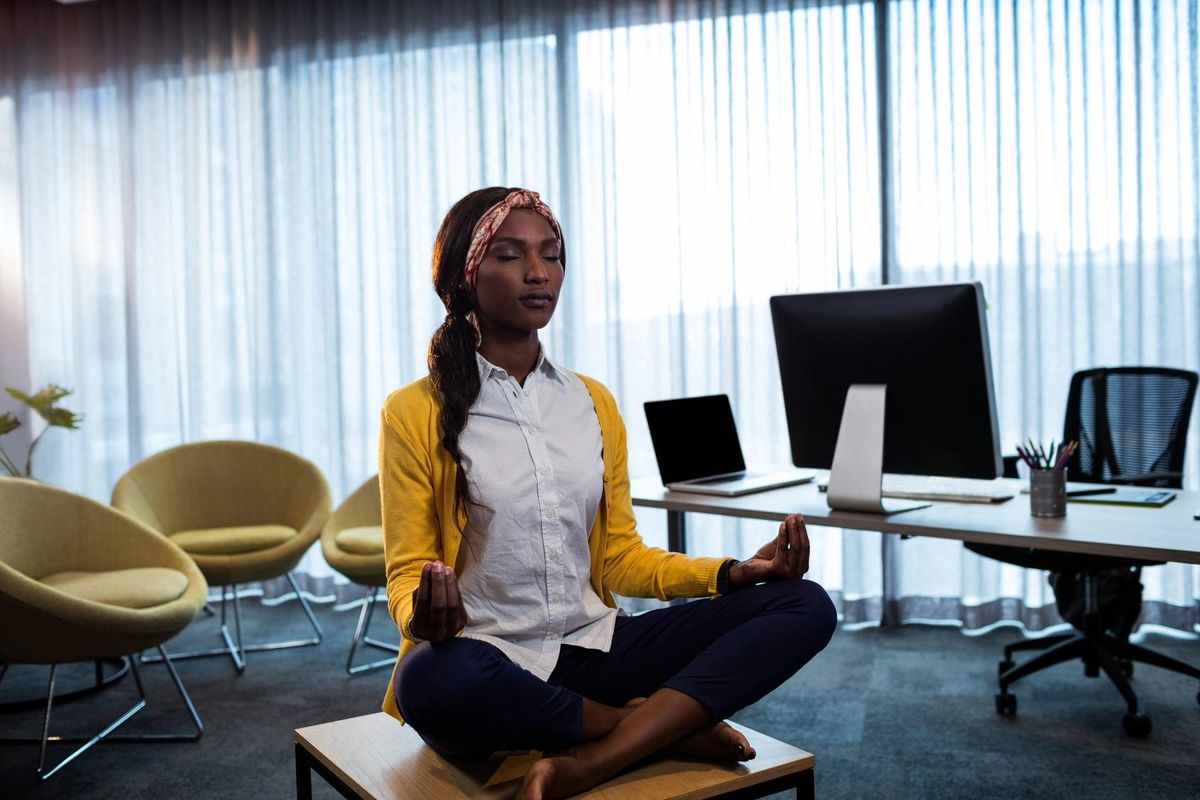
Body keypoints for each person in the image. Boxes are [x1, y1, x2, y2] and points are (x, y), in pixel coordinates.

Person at [378, 186, 837, 800]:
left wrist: (734, 573)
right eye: (511, 255)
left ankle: (587, 758)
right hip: (487, 660)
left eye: (552, 254)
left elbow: (621, 556)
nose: (540, 273)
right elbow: (408, 570)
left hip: (598, 650)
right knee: (428, 680)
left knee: (804, 604)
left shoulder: (591, 403)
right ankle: (654, 730)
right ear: (466, 275)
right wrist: (423, 614)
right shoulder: (414, 411)